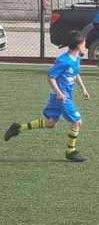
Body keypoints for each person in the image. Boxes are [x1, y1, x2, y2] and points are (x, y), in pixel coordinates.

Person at [4, 30, 91, 162]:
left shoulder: (76, 58)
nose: (85, 44)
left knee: (50, 123)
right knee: (77, 122)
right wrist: (59, 92)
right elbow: (51, 77)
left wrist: (84, 89)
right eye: (84, 42)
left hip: (61, 97)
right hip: (63, 98)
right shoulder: (63, 60)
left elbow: (75, 74)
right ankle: (70, 151)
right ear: (79, 45)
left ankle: (18, 128)